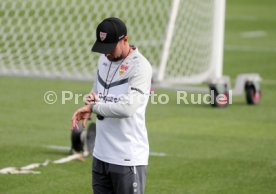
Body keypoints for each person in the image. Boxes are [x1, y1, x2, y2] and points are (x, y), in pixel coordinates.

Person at [71, 17, 152, 194]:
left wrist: (94, 107)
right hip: (100, 155)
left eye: (110, 47)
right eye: (102, 48)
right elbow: (96, 92)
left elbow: (127, 108)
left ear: (125, 40)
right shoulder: (103, 60)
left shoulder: (140, 67)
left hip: (127, 158)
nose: (106, 53)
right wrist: (88, 104)